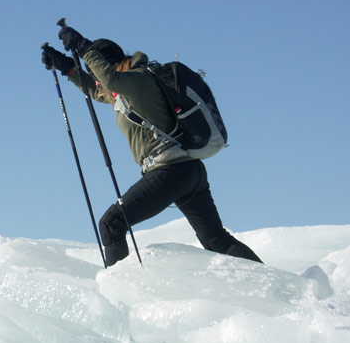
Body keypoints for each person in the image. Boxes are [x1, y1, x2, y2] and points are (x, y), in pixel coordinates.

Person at [41, 27, 262, 267]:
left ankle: (119, 297)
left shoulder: (139, 79)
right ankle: (277, 292)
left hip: (170, 171)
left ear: (108, 64)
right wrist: (68, 68)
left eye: (97, 68)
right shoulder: (127, 90)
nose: (97, 77)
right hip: (186, 171)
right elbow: (98, 91)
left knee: (111, 223)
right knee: (215, 238)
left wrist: (84, 48)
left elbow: (108, 80)